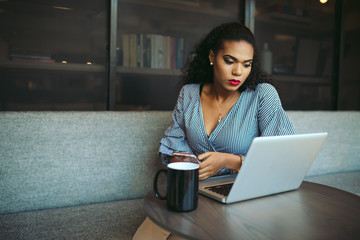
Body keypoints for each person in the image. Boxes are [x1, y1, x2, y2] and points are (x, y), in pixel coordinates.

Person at [133, 21, 295, 240]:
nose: (238, 71)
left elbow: (282, 157)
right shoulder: (189, 94)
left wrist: (229, 161)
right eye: (229, 61)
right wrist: (186, 162)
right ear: (212, 57)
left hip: (241, 195)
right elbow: (174, 145)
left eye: (246, 64)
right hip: (194, 191)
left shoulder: (262, 96)